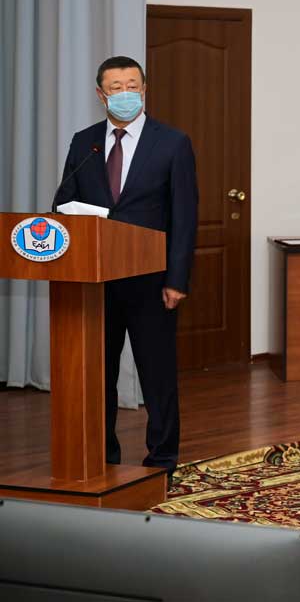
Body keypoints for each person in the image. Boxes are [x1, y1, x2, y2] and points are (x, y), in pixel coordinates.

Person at [53, 56, 198, 476]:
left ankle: (162, 460)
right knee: (99, 374)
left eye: (132, 85)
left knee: (157, 376)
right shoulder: (85, 142)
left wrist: (177, 279)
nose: (125, 93)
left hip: (152, 281)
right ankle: (102, 456)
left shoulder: (172, 142)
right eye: (116, 88)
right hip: (96, 280)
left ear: (144, 89)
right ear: (101, 95)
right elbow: (63, 202)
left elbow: (184, 216)